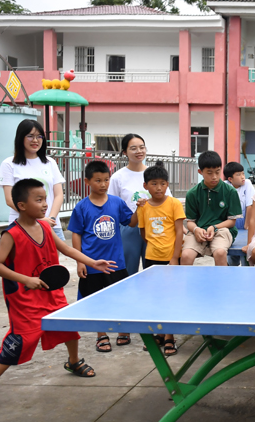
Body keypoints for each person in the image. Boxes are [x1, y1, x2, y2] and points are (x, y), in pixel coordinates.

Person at [0, 178, 116, 410]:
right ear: (21, 205)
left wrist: (92, 262)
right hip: (25, 298)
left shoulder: (46, 227)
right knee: (22, 339)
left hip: (51, 292)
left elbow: (65, 248)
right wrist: (26, 279)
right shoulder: (12, 234)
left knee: (68, 327)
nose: (45, 204)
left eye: (45, 199)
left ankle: (73, 361)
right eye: (38, 200)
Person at [68, 161, 137, 352]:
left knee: (120, 297)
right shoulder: (81, 207)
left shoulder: (117, 202)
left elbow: (131, 222)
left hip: (116, 262)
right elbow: (76, 234)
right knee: (96, 300)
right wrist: (80, 261)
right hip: (92, 264)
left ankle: (123, 330)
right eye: (98, 180)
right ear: (87, 181)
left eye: (106, 180)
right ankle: (101, 334)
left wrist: (140, 209)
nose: (103, 184)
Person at [137, 161, 185, 355]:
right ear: (145, 186)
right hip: (151, 259)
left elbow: (180, 232)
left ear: (167, 185)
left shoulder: (174, 204)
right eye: (154, 183)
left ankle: (170, 336)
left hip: (170, 258)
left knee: (170, 297)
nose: (159, 187)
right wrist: (153, 247)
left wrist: (174, 257)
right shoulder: (143, 207)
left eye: (163, 183)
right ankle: (159, 333)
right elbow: (143, 233)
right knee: (155, 297)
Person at [109, 134, 171, 278]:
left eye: (142, 147)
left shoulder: (154, 174)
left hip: (155, 226)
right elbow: (112, 205)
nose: (139, 151)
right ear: (124, 152)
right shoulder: (118, 177)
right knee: (128, 270)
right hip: (129, 227)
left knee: (154, 270)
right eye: (133, 148)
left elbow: (168, 200)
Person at [0, 120, 66, 240]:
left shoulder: (50, 162)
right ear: (20, 137)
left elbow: (58, 195)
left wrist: (51, 218)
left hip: (52, 225)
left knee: (55, 253)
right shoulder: (9, 164)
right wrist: (40, 219)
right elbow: (10, 199)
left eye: (39, 136)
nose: (35, 140)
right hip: (22, 226)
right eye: (30, 136)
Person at [182, 151, 242, 267]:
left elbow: (232, 221)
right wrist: (196, 230)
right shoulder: (192, 193)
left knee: (220, 253)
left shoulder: (230, 192)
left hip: (223, 230)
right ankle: (187, 279)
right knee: (186, 255)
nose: (214, 176)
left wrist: (214, 227)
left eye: (217, 172)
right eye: (209, 173)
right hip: (199, 231)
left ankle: (222, 278)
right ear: (200, 172)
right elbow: (190, 222)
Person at [224, 161, 255, 265]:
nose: (243, 177)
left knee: (245, 253)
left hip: (245, 221)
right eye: (238, 175)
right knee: (232, 253)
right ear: (230, 179)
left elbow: (250, 206)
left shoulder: (247, 183)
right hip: (230, 223)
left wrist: (247, 225)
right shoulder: (225, 186)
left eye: (243, 173)